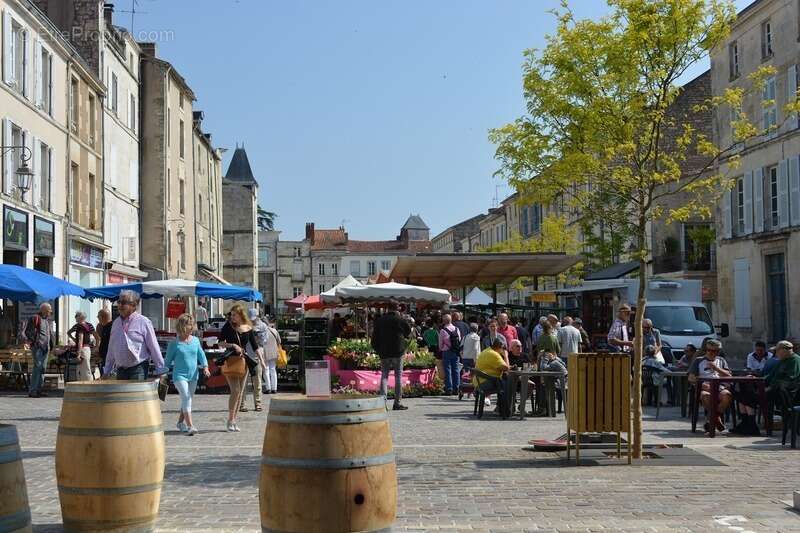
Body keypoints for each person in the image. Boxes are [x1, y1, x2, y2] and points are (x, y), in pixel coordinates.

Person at [103, 290, 165, 381]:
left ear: (134, 305)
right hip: (120, 370)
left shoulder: (144, 322)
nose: (119, 305)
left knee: (136, 395)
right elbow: (111, 349)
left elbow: (154, 347)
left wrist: (161, 371)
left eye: (123, 303)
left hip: (138, 368)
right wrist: (106, 371)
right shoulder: (116, 323)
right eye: (119, 302)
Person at [164, 314, 209, 436]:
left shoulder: (195, 341)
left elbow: (202, 355)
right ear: (182, 326)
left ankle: (180, 423)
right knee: (186, 397)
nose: (192, 327)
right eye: (189, 324)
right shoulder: (174, 344)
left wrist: (205, 367)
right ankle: (190, 426)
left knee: (188, 399)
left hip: (193, 375)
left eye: (192, 324)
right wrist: (161, 373)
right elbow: (167, 362)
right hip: (179, 376)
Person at [219, 304, 260, 431]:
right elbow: (220, 342)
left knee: (240, 393)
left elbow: (255, 346)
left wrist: (262, 361)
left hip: (243, 362)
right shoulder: (228, 326)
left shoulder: (248, 328)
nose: (232, 317)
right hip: (231, 361)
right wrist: (232, 345)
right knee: (235, 391)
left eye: (234, 315)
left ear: (241, 315)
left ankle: (233, 421)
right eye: (231, 315)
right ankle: (230, 420)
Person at [371, 302, 412, 410]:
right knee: (398, 376)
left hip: (384, 352)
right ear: (397, 308)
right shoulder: (399, 319)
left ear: (387, 308)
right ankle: (397, 403)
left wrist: (378, 349)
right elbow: (408, 332)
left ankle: (383, 403)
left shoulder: (380, 320)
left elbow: (374, 338)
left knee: (384, 375)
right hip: (398, 352)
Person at [688, 339, 731, 434]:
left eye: (714, 351)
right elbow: (691, 378)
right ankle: (716, 419)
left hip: (719, 388)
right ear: (706, 350)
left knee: (727, 396)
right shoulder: (698, 360)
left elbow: (729, 375)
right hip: (704, 387)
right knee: (705, 396)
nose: (711, 353)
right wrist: (702, 384)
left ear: (718, 351)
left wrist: (716, 368)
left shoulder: (721, 360)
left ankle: (711, 419)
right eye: (709, 350)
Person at [25, 303, 54, 398]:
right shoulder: (35, 318)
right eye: (49, 311)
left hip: (46, 348)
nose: (50, 312)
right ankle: (33, 391)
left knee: (42, 369)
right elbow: (28, 331)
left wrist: (52, 346)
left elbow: (49, 334)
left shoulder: (47, 320)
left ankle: (39, 390)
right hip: (38, 347)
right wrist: (35, 342)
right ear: (44, 310)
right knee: (37, 367)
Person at [240, 308, 266, 412]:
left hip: (256, 356)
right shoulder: (244, 326)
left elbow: (264, 341)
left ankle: (258, 404)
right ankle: (242, 404)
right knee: (243, 383)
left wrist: (257, 335)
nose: (252, 321)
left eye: (254, 319)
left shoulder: (263, 326)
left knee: (257, 382)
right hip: (246, 356)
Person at [765, 340, 800, 410]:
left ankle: (769, 419)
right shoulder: (782, 361)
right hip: (776, 390)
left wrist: (771, 387)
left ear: (784, 350)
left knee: (763, 397)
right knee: (746, 393)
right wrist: (757, 379)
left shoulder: (795, 360)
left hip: (788, 394)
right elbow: (771, 375)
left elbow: (791, 379)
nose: (776, 354)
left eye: (777, 351)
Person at [438, 314, 462, 396]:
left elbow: (440, 344)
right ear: (451, 320)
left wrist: (442, 348)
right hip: (455, 351)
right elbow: (459, 339)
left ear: (444, 321)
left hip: (447, 351)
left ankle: (449, 389)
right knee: (456, 369)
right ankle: (457, 388)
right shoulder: (457, 329)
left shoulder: (443, 330)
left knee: (447, 370)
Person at [68, 311, 95, 381]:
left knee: (83, 369)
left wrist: (78, 353)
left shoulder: (79, 326)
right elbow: (97, 336)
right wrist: (96, 346)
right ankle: (86, 385)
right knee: (84, 368)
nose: (75, 317)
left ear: (79, 317)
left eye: (76, 316)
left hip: (83, 349)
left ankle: (86, 386)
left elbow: (80, 340)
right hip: (87, 348)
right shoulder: (89, 325)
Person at [261, 317, 282, 394]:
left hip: (265, 353)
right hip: (274, 353)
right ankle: (274, 388)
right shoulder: (274, 330)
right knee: (273, 370)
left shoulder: (262, 332)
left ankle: (268, 388)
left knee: (266, 370)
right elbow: (279, 341)